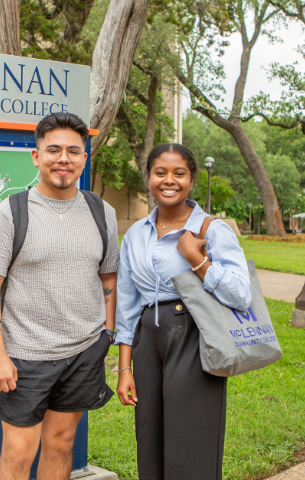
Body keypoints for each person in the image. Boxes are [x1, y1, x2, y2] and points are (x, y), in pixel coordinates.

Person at [0, 112, 120, 480]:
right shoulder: (10, 214)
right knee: (18, 451)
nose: (63, 159)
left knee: (62, 443)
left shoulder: (102, 212)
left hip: (84, 351)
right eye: (53, 150)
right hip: (26, 356)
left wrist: (107, 333)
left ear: (84, 158)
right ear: (36, 157)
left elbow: (108, 275)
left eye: (73, 151)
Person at [115, 143, 253, 480]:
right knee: (149, 440)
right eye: (160, 172)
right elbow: (128, 303)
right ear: (149, 177)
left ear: (191, 180)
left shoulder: (211, 229)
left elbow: (241, 294)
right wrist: (124, 367)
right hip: (148, 341)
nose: (169, 180)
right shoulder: (135, 235)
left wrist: (197, 260)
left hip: (194, 335)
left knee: (191, 441)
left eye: (179, 173)